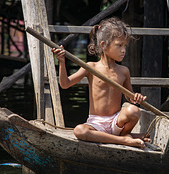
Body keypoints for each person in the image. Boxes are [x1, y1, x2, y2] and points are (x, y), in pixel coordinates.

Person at [52, 17, 149, 148]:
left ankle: (124, 134)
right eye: (119, 45)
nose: (123, 50)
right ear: (103, 45)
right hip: (96, 124)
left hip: (116, 122)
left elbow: (129, 96)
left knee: (134, 111)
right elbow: (65, 84)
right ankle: (124, 140)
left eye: (124, 46)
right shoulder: (91, 67)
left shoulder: (124, 71)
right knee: (79, 131)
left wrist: (135, 98)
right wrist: (61, 63)